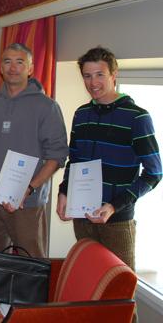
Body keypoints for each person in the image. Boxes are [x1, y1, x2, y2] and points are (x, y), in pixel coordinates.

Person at [57, 46, 162, 271]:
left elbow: (154, 173)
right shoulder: (81, 114)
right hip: (82, 217)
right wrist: (63, 191)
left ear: (114, 75)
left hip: (118, 221)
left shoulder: (138, 117)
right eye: (87, 75)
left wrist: (115, 206)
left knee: (119, 293)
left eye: (100, 74)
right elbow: (74, 160)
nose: (93, 82)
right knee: (87, 282)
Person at [0, 43, 68, 258]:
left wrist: (29, 188)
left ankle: (28, 294)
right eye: (7, 61)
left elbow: (57, 156)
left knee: (30, 262)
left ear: (30, 69)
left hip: (28, 204)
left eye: (19, 62)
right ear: (1, 67)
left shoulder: (47, 107)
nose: (13, 67)